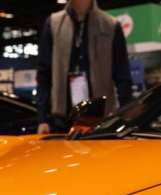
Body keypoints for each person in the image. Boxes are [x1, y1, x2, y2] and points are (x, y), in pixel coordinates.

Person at [35, 0, 133, 134]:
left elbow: (122, 74)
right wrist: (42, 118)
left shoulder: (110, 25)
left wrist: (125, 115)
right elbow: (44, 73)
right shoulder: (53, 23)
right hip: (62, 120)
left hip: (101, 121)